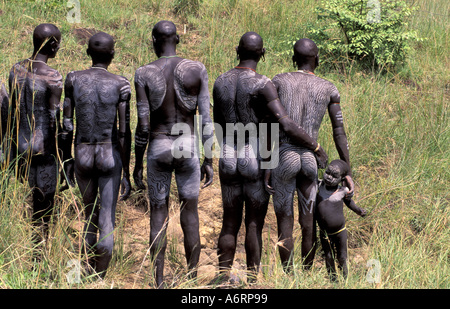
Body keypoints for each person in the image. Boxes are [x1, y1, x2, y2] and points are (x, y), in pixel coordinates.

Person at [213, 32, 327, 283]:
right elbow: (280, 124)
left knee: (229, 221)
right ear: (262, 53)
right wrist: (314, 147)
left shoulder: (220, 81)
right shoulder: (262, 83)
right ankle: (254, 281)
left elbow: (218, 125)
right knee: (254, 222)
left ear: (236, 50)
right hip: (253, 155)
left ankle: (222, 279)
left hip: (228, 154)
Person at [133, 20, 214, 288]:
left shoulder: (144, 73)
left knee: (158, 213)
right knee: (189, 213)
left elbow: (143, 124)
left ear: (153, 41)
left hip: (158, 145)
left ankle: (158, 281)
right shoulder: (197, 69)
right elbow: (205, 119)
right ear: (177, 40)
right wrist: (209, 159)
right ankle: (191, 279)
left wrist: (136, 163)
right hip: (187, 145)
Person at [267, 38, 354, 272]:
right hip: (310, 160)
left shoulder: (279, 81)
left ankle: (288, 275)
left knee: (285, 222)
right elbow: (339, 131)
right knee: (308, 223)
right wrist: (347, 169)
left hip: (284, 157)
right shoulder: (328, 88)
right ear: (317, 59)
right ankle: (305, 274)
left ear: (294, 58)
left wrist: (267, 162)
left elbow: (272, 126)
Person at [60, 31, 132, 278]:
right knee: (106, 219)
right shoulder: (121, 83)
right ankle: (99, 278)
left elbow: (66, 125)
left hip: (82, 153)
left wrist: (66, 160)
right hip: (108, 152)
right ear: (113, 55)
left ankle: (88, 270)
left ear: (88, 53)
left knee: (88, 215)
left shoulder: (73, 79)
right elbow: (124, 132)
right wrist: (125, 169)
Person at [8, 23, 62, 246]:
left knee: (23, 197)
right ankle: (38, 252)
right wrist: (62, 155)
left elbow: (13, 111)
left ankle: (17, 241)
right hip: (43, 148)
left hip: (19, 144)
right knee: (43, 207)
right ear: (53, 47)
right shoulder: (53, 76)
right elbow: (54, 119)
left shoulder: (15, 70)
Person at [316, 159, 366, 280]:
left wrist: (359, 211)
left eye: (334, 176)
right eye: (328, 172)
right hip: (324, 233)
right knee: (328, 256)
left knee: (342, 256)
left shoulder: (343, 191)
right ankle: (333, 281)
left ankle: (345, 280)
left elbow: (350, 204)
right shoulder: (318, 185)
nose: (329, 177)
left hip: (340, 232)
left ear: (342, 179)